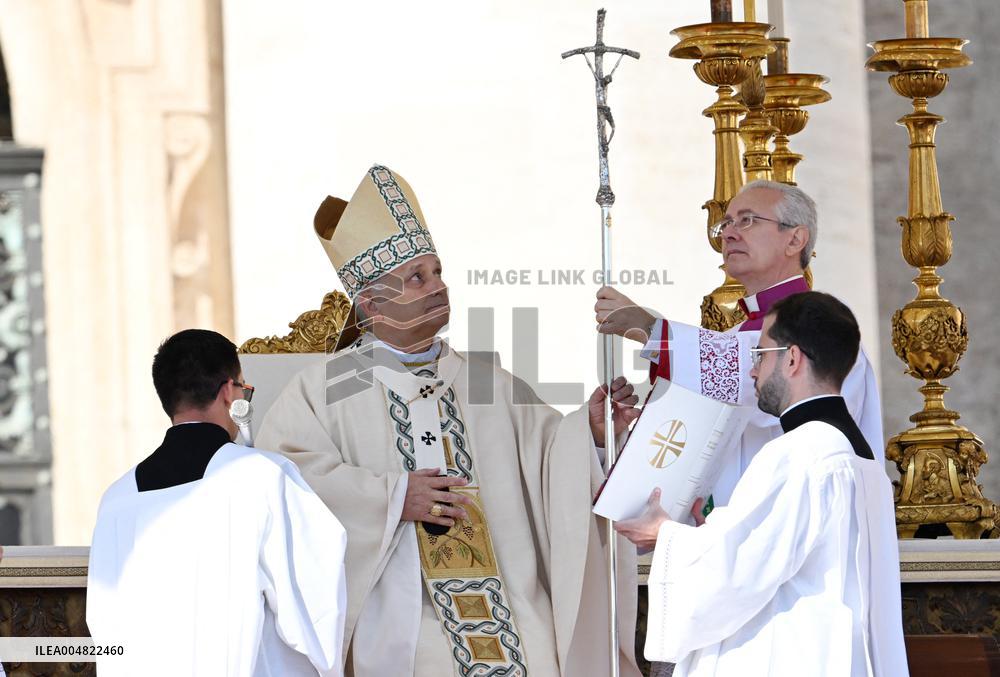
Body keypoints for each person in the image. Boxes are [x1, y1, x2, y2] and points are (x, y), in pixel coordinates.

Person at [257, 164, 642, 677]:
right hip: (400, 616)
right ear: (370, 304)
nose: (437, 286)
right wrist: (393, 497)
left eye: (437, 272)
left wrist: (589, 431)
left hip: (511, 603)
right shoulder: (322, 390)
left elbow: (551, 458)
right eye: (416, 277)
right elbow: (287, 485)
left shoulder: (487, 382)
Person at [616, 292, 908, 676]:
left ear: (791, 358)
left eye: (760, 355)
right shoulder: (860, 457)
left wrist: (666, 535)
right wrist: (717, 531)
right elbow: (785, 555)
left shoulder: (799, 452)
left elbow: (735, 575)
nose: (752, 371)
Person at [595, 180, 883, 506]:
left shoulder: (829, 333)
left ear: (795, 239)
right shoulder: (727, 342)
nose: (728, 234)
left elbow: (760, 395)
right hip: (723, 540)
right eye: (726, 223)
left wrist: (651, 330)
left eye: (747, 220)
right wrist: (610, 434)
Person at [87, 329, 348, 676]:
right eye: (244, 388)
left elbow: (105, 623)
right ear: (229, 392)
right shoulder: (263, 477)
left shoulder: (116, 498)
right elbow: (313, 610)